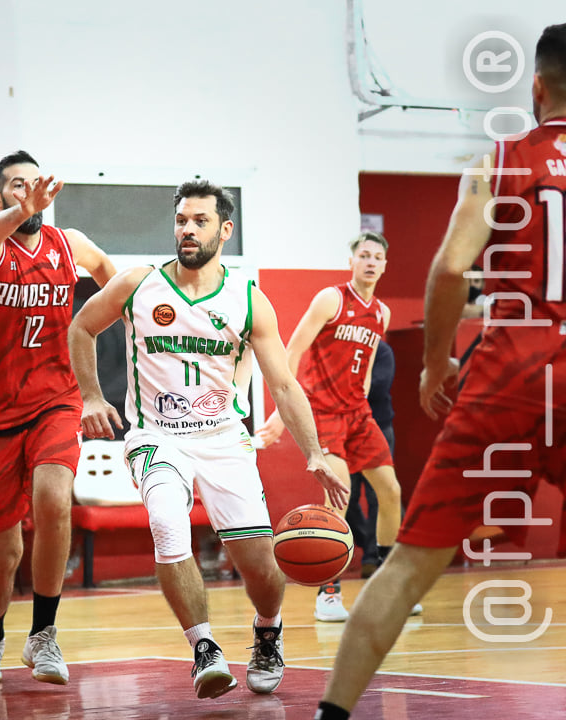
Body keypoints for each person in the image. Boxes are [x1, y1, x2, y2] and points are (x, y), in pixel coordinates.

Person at [316, 24, 566, 720]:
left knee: (408, 567)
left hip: (509, 374)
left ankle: (332, 714)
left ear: (537, 87)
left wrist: (434, 366)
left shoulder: (500, 161)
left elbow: (452, 267)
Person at [69, 179, 347, 700]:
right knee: (166, 521)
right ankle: (204, 647)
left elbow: (284, 384)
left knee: (261, 566)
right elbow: (81, 327)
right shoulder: (138, 284)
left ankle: (268, 631)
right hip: (156, 436)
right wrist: (90, 397)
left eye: (200, 221)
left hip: (224, 440)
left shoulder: (249, 300)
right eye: (181, 221)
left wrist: (313, 452)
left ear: (225, 230)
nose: (188, 230)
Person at [0, 150, 116, 686]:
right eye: (17, 187)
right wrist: (21, 211)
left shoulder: (68, 244)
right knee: (3, 550)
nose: (30, 194)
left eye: (34, 183)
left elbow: (110, 276)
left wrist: (114, 319)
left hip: (55, 399)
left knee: (53, 501)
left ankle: (43, 634)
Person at [255, 232, 409, 622]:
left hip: (358, 414)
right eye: (364, 255)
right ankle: (328, 593)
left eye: (377, 257)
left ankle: (387, 588)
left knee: (391, 491)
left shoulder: (382, 313)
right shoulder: (331, 299)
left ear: (385, 266)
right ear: (351, 262)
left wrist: (364, 400)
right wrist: (281, 412)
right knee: (339, 496)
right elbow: (293, 349)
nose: (371, 262)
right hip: (323, 412)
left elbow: (368, 363)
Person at [345, 339, 394, 578]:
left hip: (379, 427)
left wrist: (345, 387)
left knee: (380, 494)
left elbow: (379, 385)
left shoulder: (382, 350)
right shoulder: (342, 349)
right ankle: (367, 543)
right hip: (345, 432)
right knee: (346, 495)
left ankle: (374, 557)